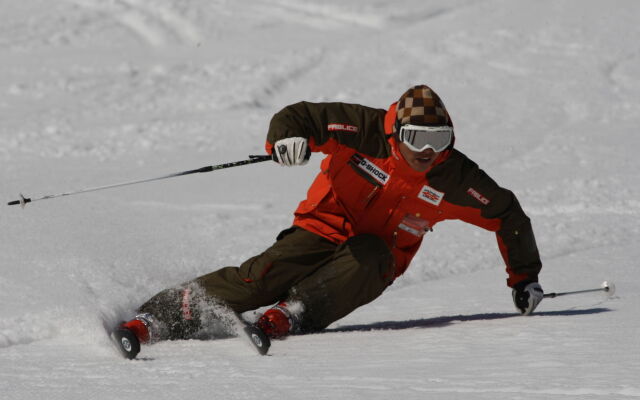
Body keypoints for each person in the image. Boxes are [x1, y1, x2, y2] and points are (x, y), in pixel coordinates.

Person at [118, 85, 543, 352]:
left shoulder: (455, 178)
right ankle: (158, 316)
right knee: (261, 278)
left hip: (374, 260)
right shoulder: (364, 129)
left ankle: (295, 312)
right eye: (418, 138)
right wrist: (287, 140)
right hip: (320, 227)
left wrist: (524, 278)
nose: (428, 151)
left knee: (370, 255)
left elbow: (509, 216)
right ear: (396, 133)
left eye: (440, 139)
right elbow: (300, 116)